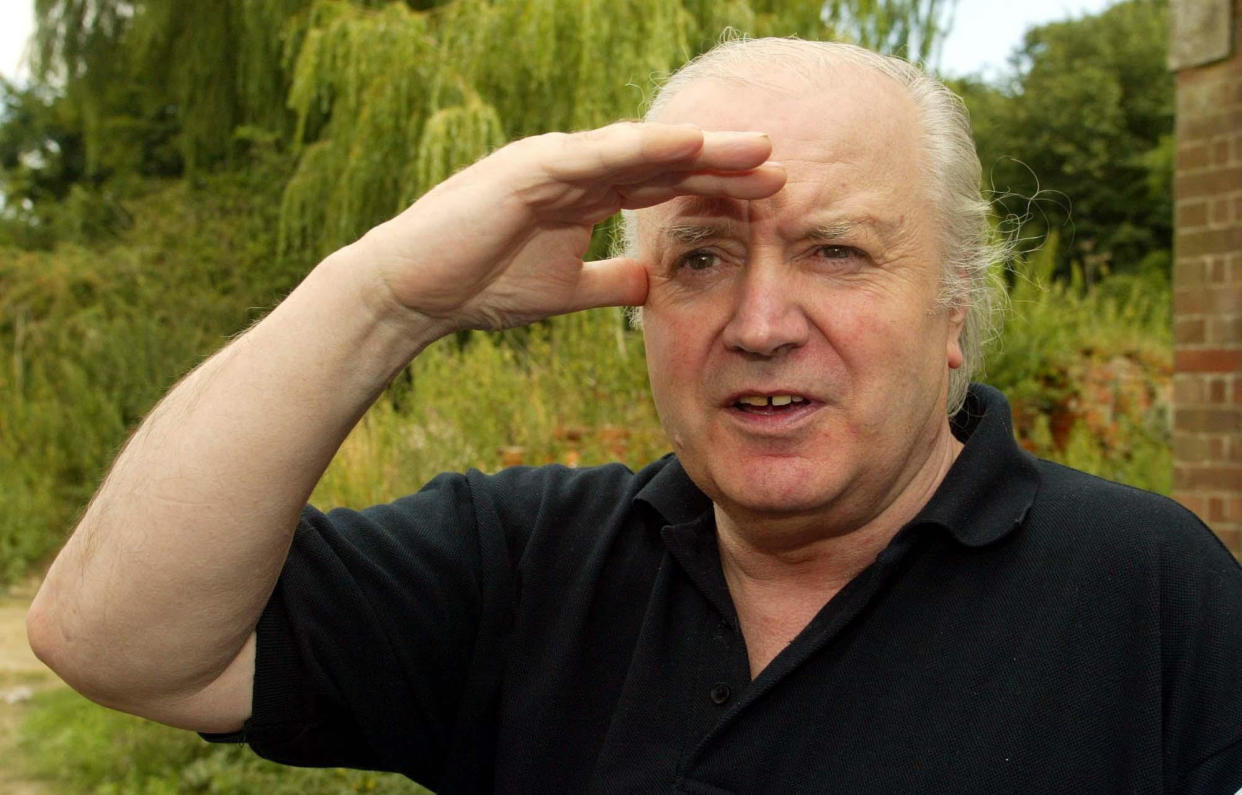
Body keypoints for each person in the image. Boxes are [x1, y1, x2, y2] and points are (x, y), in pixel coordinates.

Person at [26, 37, 1242, 793]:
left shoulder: (1150, 592)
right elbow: (112, 640)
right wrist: (384, 297)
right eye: (702, 259)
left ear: (954, 309)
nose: (762, 321)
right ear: (637, 302)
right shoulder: (527, 566)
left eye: (835, 251)